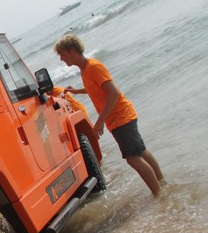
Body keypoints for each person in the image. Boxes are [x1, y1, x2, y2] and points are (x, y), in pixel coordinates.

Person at [54, 34, 164, 196]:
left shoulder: (93, 67)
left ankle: (158, 193)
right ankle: (162, 183)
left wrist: (100, 121)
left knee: (133, 158)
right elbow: (97, 88)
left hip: (121, 117)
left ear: (73, 51)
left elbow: (113, 93)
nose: (62, 59)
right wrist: (77, 91)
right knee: (140, 151)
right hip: (118, 119)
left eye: (62, 54)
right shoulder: (85, 70)